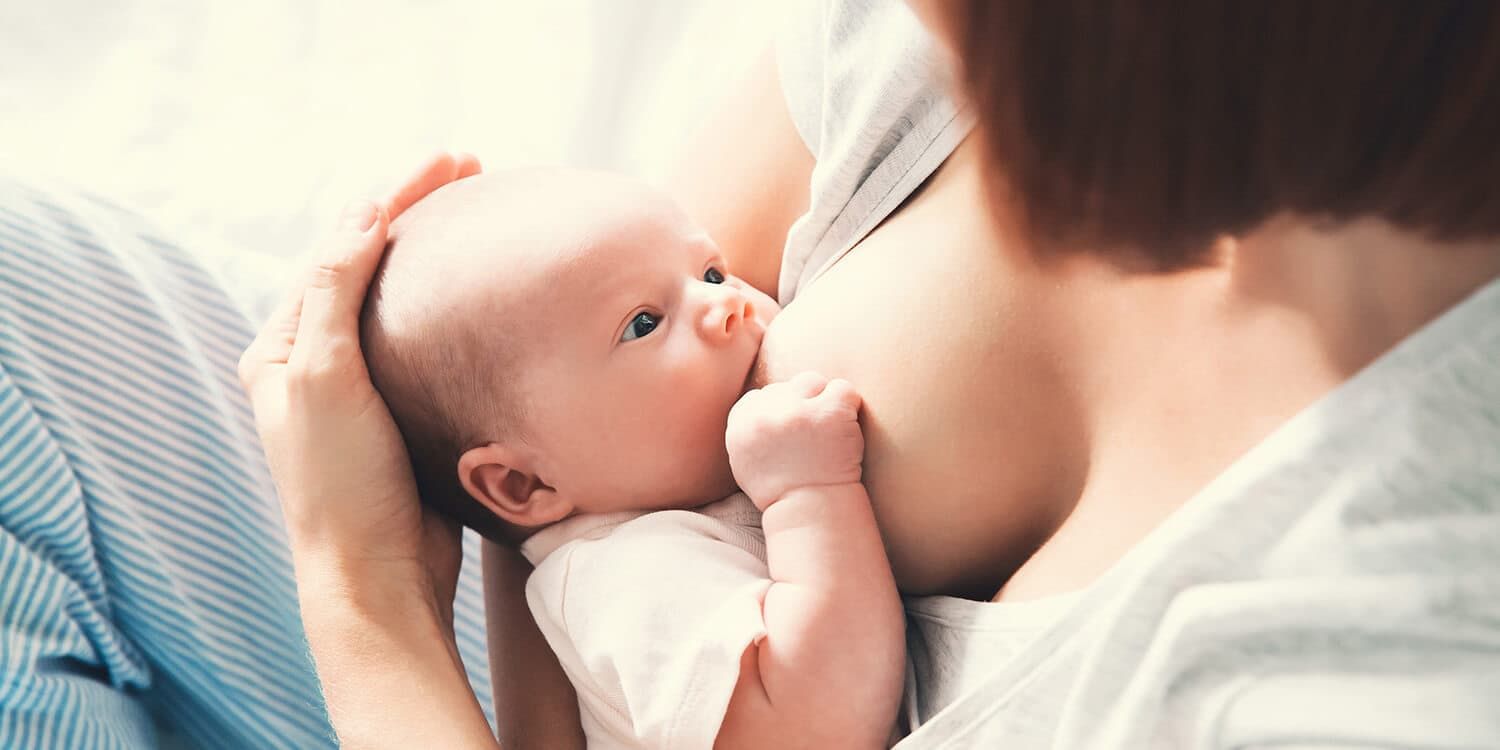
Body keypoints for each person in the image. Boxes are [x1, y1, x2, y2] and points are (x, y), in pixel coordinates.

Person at [249, 0, 1500, 746]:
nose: (726, 306)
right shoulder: (948, 51)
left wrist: (363, 596)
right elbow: (547, 376)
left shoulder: (1377, 654)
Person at [358, 167, 904, 748]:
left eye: (711, 272)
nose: (726, 305)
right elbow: (812, 727)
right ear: (522, 485)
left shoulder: (662, 501)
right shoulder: (625, 579)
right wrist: (807, 495)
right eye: (644, 324)